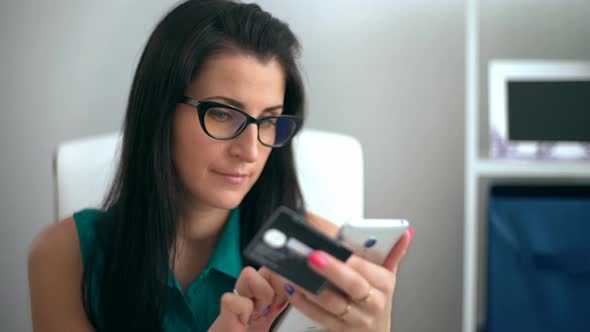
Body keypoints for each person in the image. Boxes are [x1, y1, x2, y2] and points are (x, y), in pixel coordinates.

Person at [28, 1, 414, 331]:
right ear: (160, 112)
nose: (249, 151)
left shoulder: (316, 255)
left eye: (269, 120)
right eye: (224, 115)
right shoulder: (65, 255)